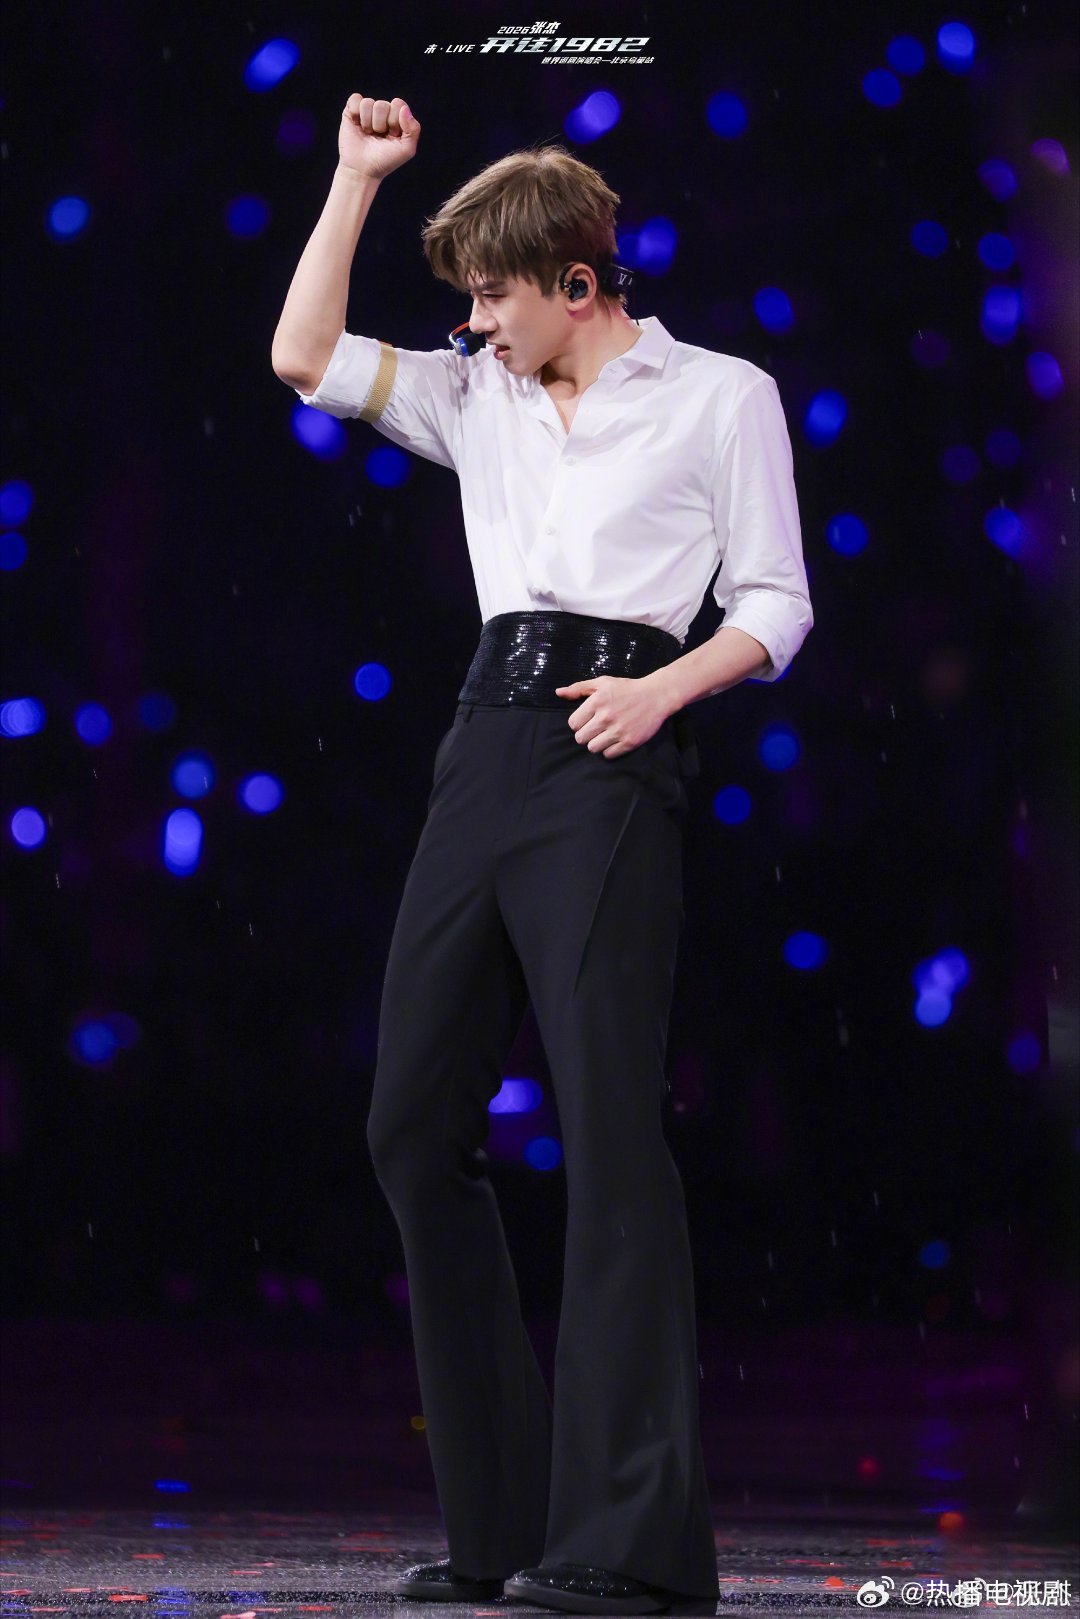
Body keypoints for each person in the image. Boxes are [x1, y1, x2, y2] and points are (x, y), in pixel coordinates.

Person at [271, 94, 813, 1616]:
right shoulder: (478, 397)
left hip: (613, 753)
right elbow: (303, 357)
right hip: (483, 745)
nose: (475, 326)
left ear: (578, 282)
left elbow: (777, 601)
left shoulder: (721, 395)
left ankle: (631, 1543)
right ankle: (504, 1524)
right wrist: (354, 180)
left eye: (493, 296)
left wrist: (665, 691)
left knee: (610, 1133)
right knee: (410, 1124)